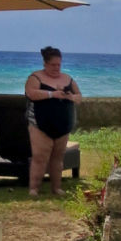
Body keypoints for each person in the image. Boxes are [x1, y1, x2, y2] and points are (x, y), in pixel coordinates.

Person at [24, 46, 82, 198]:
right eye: (53, 65)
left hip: (63, 123)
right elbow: (31, 93)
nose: (56, 68)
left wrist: (70, 97)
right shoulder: (35, 77)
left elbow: (79, 97)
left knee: (58, 157)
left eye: (59, 65)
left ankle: (56, 188)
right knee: (40, 156)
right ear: (45, 64)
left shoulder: (68, 78)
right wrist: (52, 94)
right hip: (40, 123)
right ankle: (34, 188)